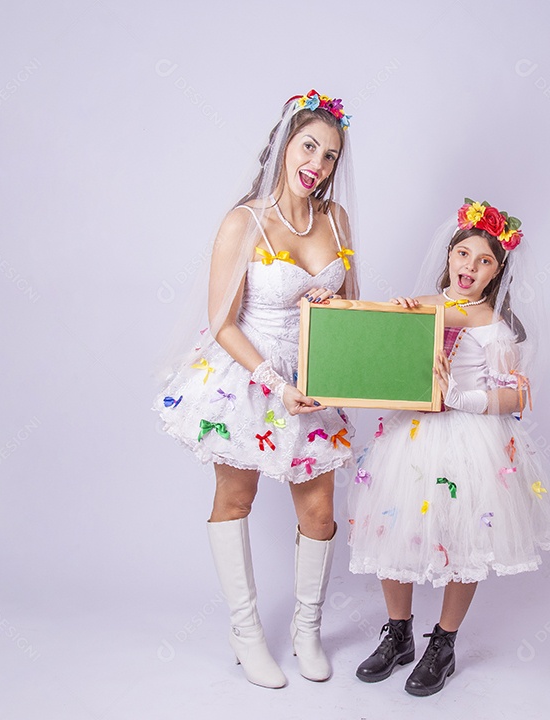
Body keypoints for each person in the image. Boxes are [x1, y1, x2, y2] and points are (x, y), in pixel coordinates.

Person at [154, 90, 358, 688]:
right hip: (248, 372)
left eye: (329, 156)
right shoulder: (243, 221)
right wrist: (271, 382)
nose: (317, 164)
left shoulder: (336, 220)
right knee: (236, 500)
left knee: (319, 512)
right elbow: (221, 321)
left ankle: (306, 629)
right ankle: (245, 634)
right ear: (285, 145)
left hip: (312, 377)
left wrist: (333, 305)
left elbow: (348, 303)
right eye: (309, 147)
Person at [347, 199, 550, 696]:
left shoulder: (495, 326)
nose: (470, 266)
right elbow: (377, 360)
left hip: (469, 438)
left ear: (498, 272)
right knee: (392, 523)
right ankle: (398, 633)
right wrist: (395, 323)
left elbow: (516, 395)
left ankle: (442, 643)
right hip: (412, 437)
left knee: (467, 534)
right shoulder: (419, 305)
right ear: (449, 256)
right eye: (464, 254)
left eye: (485, 260)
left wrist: (460, 397)